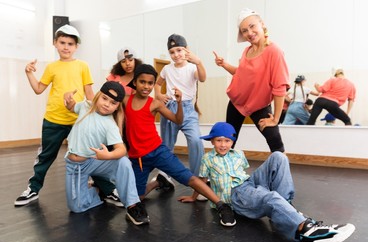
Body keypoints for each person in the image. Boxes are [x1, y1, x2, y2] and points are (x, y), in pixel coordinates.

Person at [178, 122, 356, 242]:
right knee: (269, 196)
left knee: (278, 156)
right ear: (212, 141)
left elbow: (243, 173)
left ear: (232, 141)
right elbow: (201, 180)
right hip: (235, 195)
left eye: (227, 141)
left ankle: (285, 208)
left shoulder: (238, 154)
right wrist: (194, 197)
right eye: (218, 141)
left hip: (248, 183)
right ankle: (307, 233)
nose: (223, 145)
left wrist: (255, 185)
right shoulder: (208, 159)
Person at [14, 24, 119, 207]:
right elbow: (39, 89)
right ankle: (33, 188)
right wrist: (28, 73)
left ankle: (108, 191)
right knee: (46, 156)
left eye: (70, 43)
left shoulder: (82, 66)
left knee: (90, 154)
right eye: (62, 42)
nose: (66, 47)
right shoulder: (52, 67)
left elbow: (89, 93)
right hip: (53, 120)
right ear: (55, 43)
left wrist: (95, 115)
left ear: (76, 46)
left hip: (79, 121)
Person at [124, 63, 235, 226]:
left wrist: (180, 102)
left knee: (188, 178)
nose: (146, 86)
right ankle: (158, 182)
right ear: (135, 82)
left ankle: (222, 206)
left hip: (158, 151)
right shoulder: (125, 101)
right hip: (137, 158)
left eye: (150, 83)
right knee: (137, 198)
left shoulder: (155, 104)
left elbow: (177, 120)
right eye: (142, 82)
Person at [63, 81, 149, 225]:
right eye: (104, 98)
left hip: (94, 161)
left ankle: (133, 205)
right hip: (75, 166)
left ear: (117, 107)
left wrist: (108, 155)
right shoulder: (85, 106)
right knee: (76, 208)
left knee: (123, 162)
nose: (107, 104)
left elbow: (122, 149)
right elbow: (72, 107)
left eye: (113, 103)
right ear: (98, 96)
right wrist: (68, 100)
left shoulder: (110, 125)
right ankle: (96, 192)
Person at [213, 8, 289, 152]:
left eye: (252, 26)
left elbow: (280, 87)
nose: (249, 32)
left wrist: (276, 118)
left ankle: (282, 173)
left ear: (262, 24)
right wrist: (224, 65)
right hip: (236, 102)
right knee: (228, 142)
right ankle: (224, 172)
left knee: (275, 141)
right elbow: (241, 74)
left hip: (258, 104)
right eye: (244, 30)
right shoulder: (247, 51)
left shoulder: (274, 51)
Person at [154, 34, 206, 193]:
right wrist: (159, 95)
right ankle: (164, 175)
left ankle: (199, 179)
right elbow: (157, 84)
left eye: (179, 50)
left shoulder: (192, 68)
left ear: (186, 50)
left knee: (196, 141)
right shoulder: (166, 68)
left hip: (187, 109)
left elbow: (202, 78)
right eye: (172, 52)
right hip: (169, 107)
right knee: (167, 144)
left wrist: (199, 62)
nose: (176, 55)